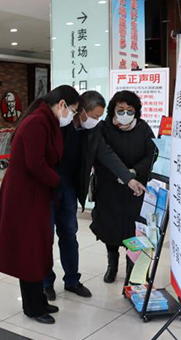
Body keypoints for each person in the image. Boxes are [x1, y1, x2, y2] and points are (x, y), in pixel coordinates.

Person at [43, 91, 146, 301]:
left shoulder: (93, 130)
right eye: (95, 116)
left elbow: (106, 154)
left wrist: (129, 178)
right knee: (46, 237)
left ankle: (72, 280)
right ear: (81, 111)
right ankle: (46, 283)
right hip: (48, 188)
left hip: (69, 188)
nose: (97, 121)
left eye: (100, 117)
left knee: (69, 234)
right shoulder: (59, 126)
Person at [0, 85, 80, 325]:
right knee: (29, 250)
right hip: (24, 194)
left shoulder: (45, 121)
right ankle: (32, 307)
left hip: (35, 191)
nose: (71, 116)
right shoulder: (37, 123)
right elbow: (35, 163)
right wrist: (57, 181)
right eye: (72, 110)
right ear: (61, 104)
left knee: (37, 247)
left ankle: (39, 299)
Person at [90, 90, 156, 288]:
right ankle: (112, 265)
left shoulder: (143, 128)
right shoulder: (103, 128)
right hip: (109, 187)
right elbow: (103, 155)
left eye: (130, 110)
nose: (125, 114)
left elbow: (152, 153)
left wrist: (134, 172)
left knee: (133, 230)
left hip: (135, 188)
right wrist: (120, 174)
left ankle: (132, 268)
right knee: (110, 227)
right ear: (113, 110)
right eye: (121, 110)